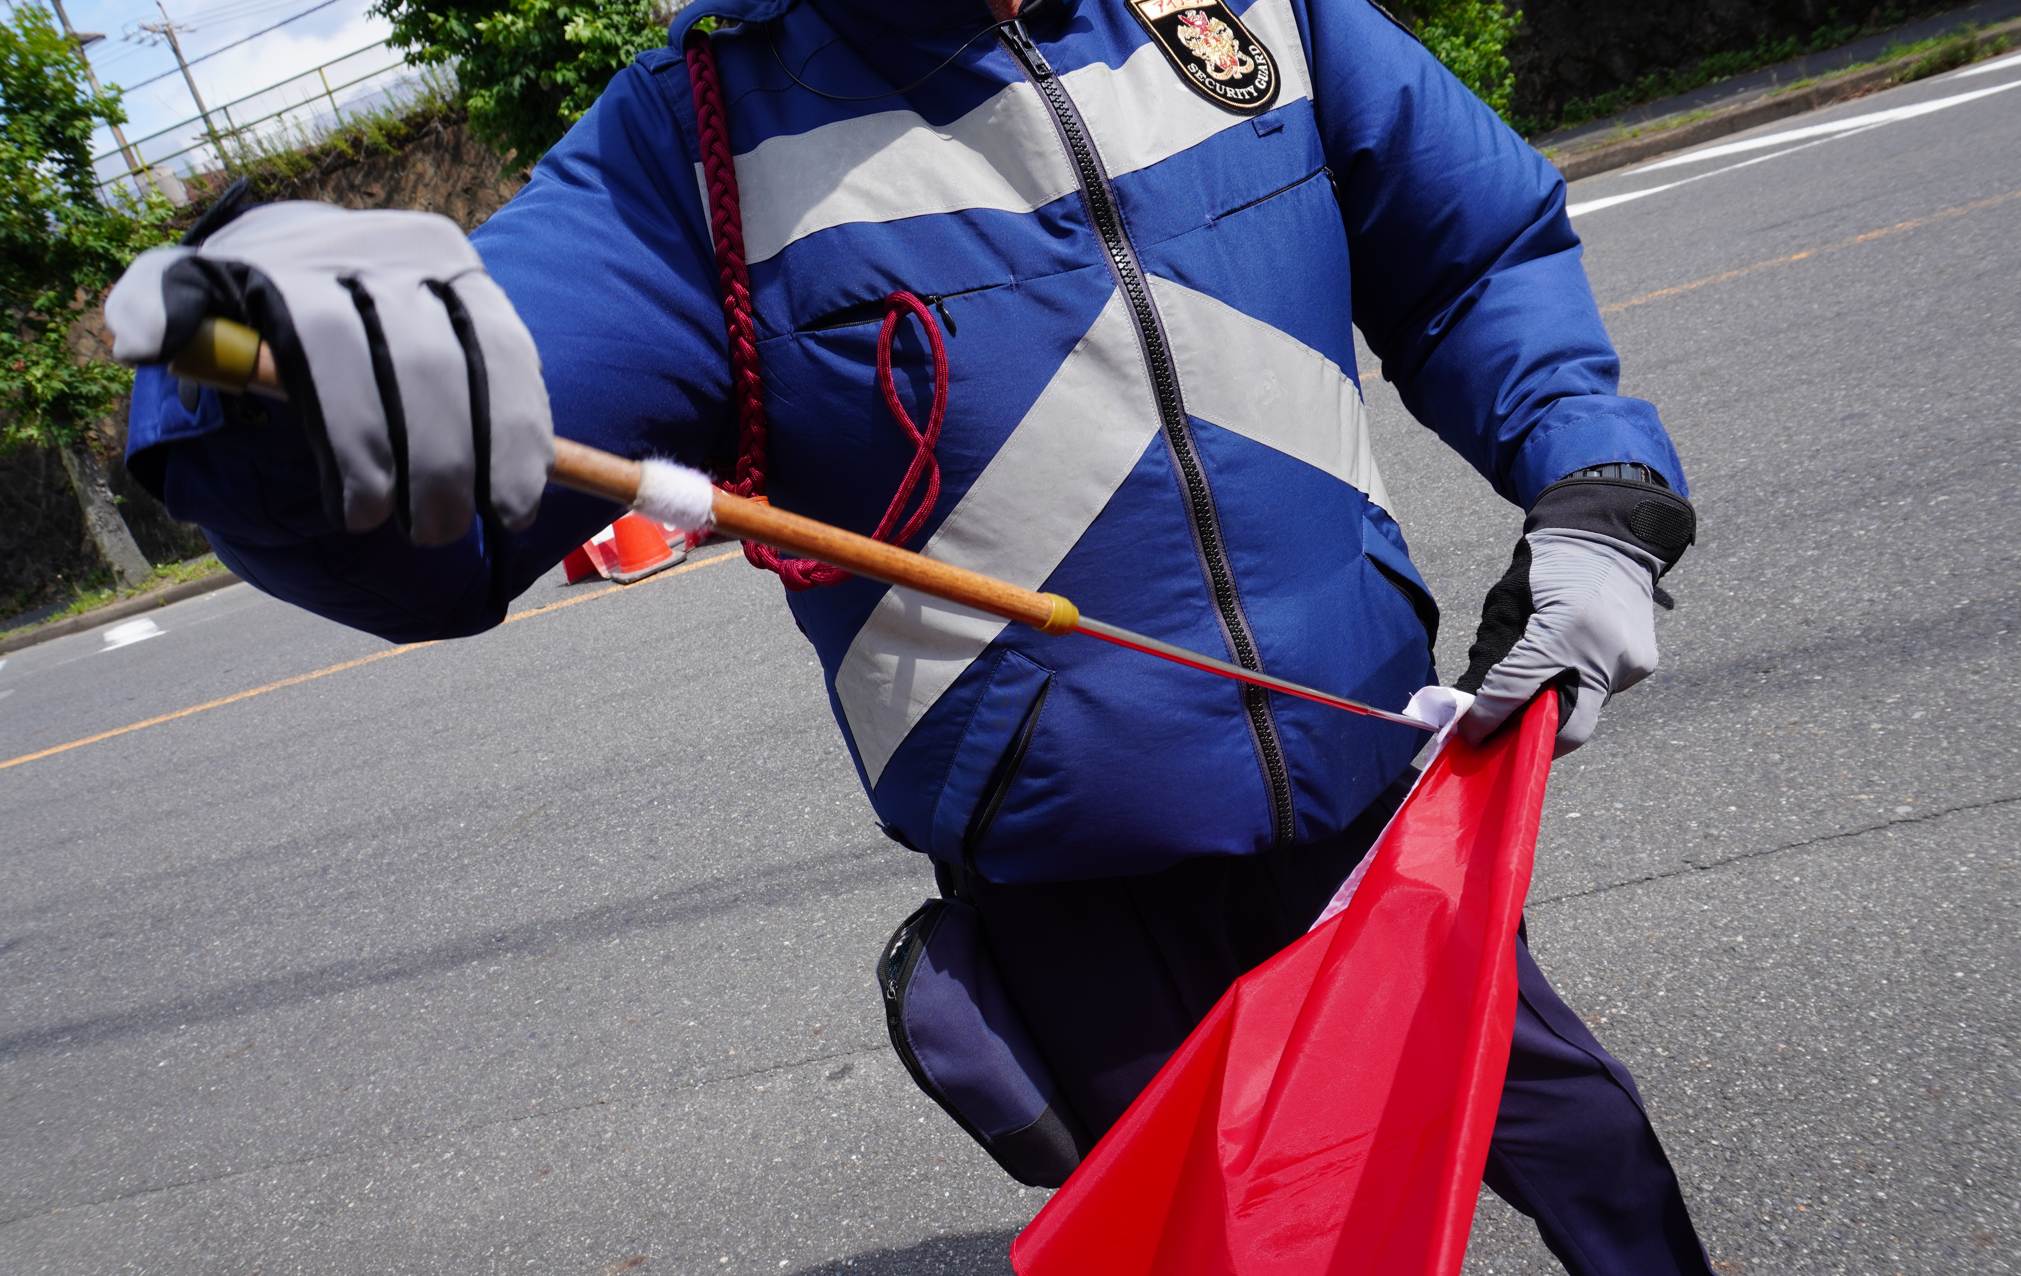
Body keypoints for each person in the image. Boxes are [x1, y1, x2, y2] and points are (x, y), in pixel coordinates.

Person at [106, 0, 1709, 1270]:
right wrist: (256, 375)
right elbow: (424, 516)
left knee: (1591, 1157)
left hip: (1387, 818)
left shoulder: (1263, 11)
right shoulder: (695, 151)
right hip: (1075, 911)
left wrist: (1599, 485)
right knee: (1230, 1247)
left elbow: (1474, 254)